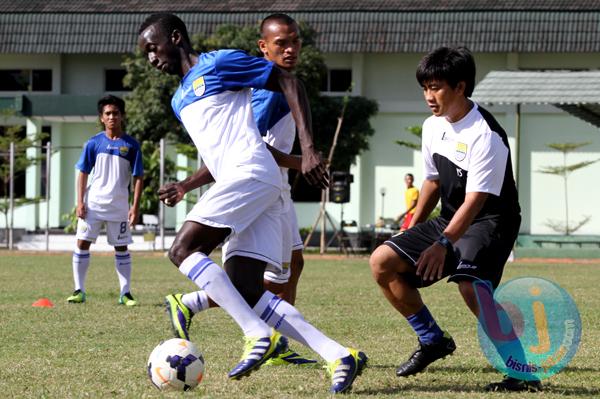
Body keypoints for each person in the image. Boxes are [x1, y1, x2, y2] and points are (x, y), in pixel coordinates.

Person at [138, 13, 366, 393]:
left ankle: (256, 332)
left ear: (175, 38)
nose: (150, 58)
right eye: (145, 53)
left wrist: (308, 150)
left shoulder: (219, 63)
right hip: (255, 186)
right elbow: (217, 150)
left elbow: (289, 81)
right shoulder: (179, 99)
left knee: (183, 249)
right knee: (246, 285)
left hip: (251, 174)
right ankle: (338, 354)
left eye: (152, 48)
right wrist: (186, 184)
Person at [369, 47, 540, 392]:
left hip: (491, 220)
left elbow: (477, 201)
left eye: (436, 87)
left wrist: (443, 244)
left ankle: (523, 373)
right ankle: (432, 340)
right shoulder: (433, 126)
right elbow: (432, 181)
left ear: (460, 87)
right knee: (382, 261)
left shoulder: (485, 135)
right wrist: (414, 227)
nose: (429, 96)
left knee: (472, 288)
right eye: (425, 88)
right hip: (451, 216)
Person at [67, 95, 144, 307]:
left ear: (122, 116)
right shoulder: (93, 143)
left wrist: (134, 207)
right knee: (82, 243)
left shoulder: (131, 145)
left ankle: (125, 293)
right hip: (93, 204)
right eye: (108, 113)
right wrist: (80, 201)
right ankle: (79, 290)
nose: (112, 117)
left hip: (118, 207)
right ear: (102, 118)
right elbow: (82, 172)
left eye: (115, 113)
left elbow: (138, 178)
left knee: (121, 247)